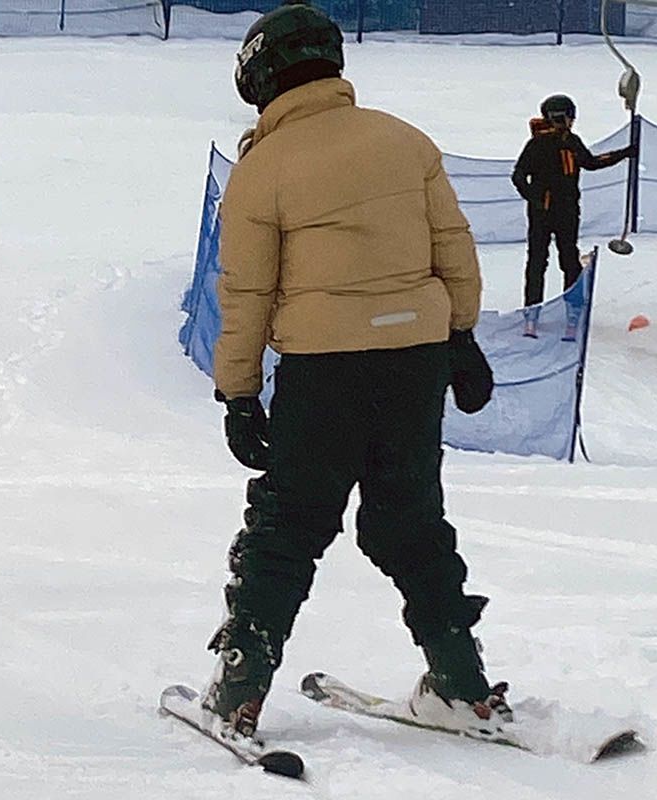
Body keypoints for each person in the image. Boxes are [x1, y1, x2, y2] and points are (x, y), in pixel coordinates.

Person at [205, 1, 505, 740]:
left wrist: (239, 392)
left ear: (262, 79)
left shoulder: (262, 169)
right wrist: (461, 335)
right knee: (409, 522)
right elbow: (453, 250)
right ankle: (462, 684)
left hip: (324, 370)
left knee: (288, 525)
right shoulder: (406, 142)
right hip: (415, 363)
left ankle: (239, 689)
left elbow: (245, 293)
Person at [511, 94, 636, 338]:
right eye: (564, 117)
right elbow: (518, 175)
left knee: (569, 260)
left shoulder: (572, 141)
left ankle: (572, 314)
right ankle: (532, 315)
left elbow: (590, 162)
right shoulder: (536, 144)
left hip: (567, 211)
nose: (567, 122)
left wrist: (624, 153)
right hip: (541, 213)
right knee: (537, 261)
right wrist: (535, 197)